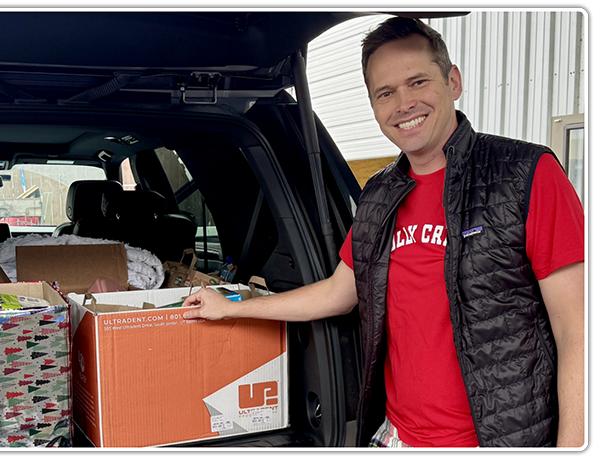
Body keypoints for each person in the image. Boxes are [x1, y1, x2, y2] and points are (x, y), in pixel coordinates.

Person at [182, 16, 584, 448]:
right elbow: (338, 291)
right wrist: (234, 307)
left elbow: (576, 330)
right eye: (386, 93)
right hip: (396, 436)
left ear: (453, 81)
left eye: (418, 82)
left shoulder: (524, 174)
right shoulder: (379, 193)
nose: (404, 104)